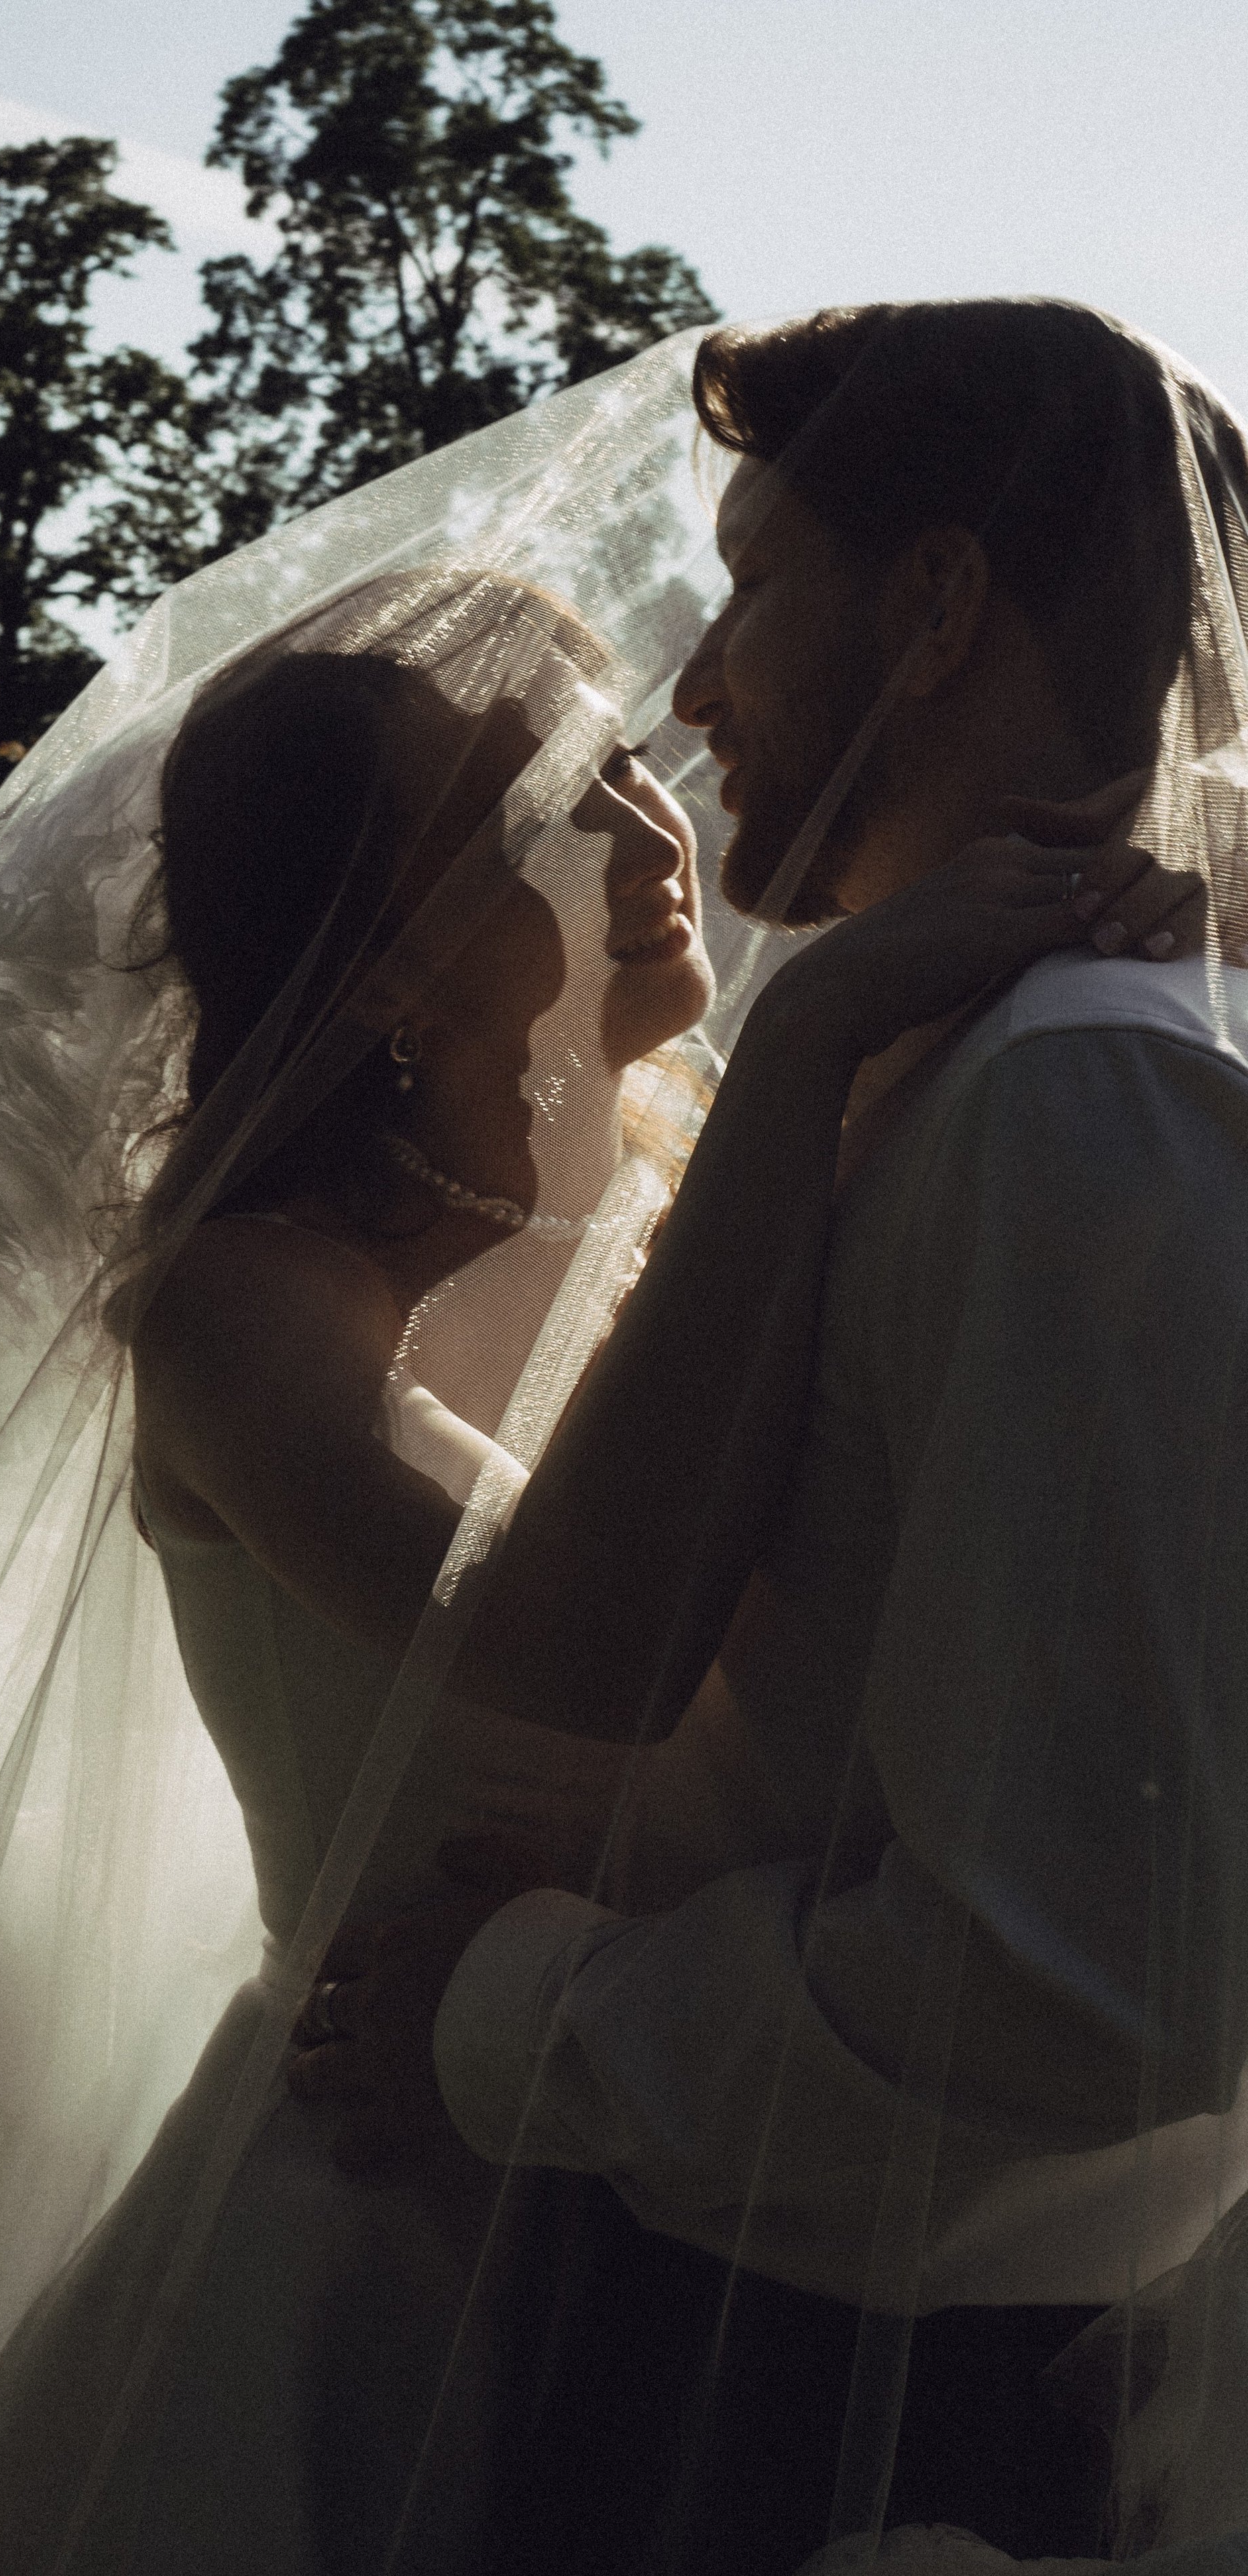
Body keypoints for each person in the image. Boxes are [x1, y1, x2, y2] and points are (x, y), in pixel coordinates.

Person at [296, 299, 1248, 2573]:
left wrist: (507, 2015)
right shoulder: (943, 1059)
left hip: (887, 2416)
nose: (698, 683)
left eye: (749, 585)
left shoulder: (1086, 1106)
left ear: (935, 605)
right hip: (733, 2298)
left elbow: (1091, 1987)